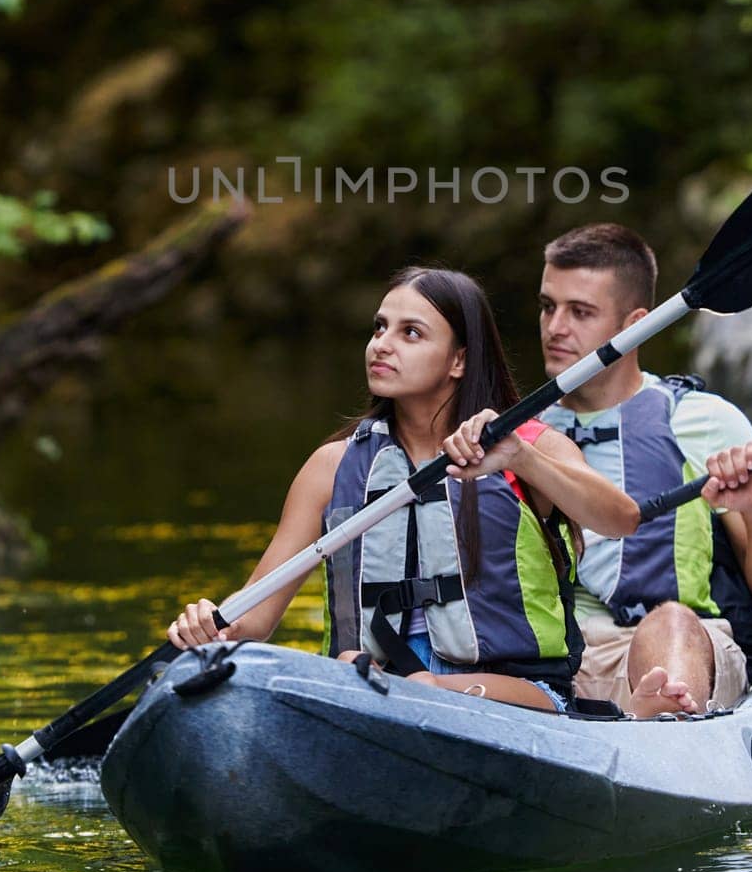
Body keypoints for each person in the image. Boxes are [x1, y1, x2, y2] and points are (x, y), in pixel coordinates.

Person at [168, 265, 639, 714]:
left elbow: (620, 519)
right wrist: (209, 625)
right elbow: (255, 618)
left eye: (409, 333)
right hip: (372, 687)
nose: (381, 346)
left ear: (459, 360)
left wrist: (522, 459)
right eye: (379, 328)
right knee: (354, 670)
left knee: (421, 687)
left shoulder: (530, 447)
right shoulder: (332, 468)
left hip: (519, 694)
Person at [529, 222, 752, 718]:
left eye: (581, 312)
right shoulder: (521, 436)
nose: (555, 328)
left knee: (669, 624)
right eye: (548, 306)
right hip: (557, 659)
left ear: (635, 323)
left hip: (679, 647)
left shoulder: (703, 420)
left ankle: (663, 719)